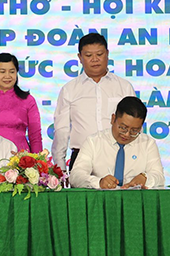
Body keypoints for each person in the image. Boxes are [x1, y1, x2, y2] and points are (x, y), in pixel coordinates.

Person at [52, 33, 135, 171]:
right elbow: (62, 131)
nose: (95, 59)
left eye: (99, 54)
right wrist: (60, 169)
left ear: (107, 54)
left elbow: (136, 126)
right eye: (89, 55)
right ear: (80, 57)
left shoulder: (124, 87)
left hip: (119, 156)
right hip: (82, 158)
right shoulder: (69, 89)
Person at [71, 96, 164, 189]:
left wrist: (145, 178)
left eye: (134, 130)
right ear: (113, 119)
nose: (127, 134)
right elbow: (76, 176)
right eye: (123, 128)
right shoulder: (93, 142)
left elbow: (159, 176)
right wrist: (99, 182)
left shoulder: (148, 144)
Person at [0, 53, 42, 153]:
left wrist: (38, 160)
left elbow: (35, 136)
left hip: (20, 158)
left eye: (12, 71)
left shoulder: (28, 100)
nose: (7, 76)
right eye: (2, 71)